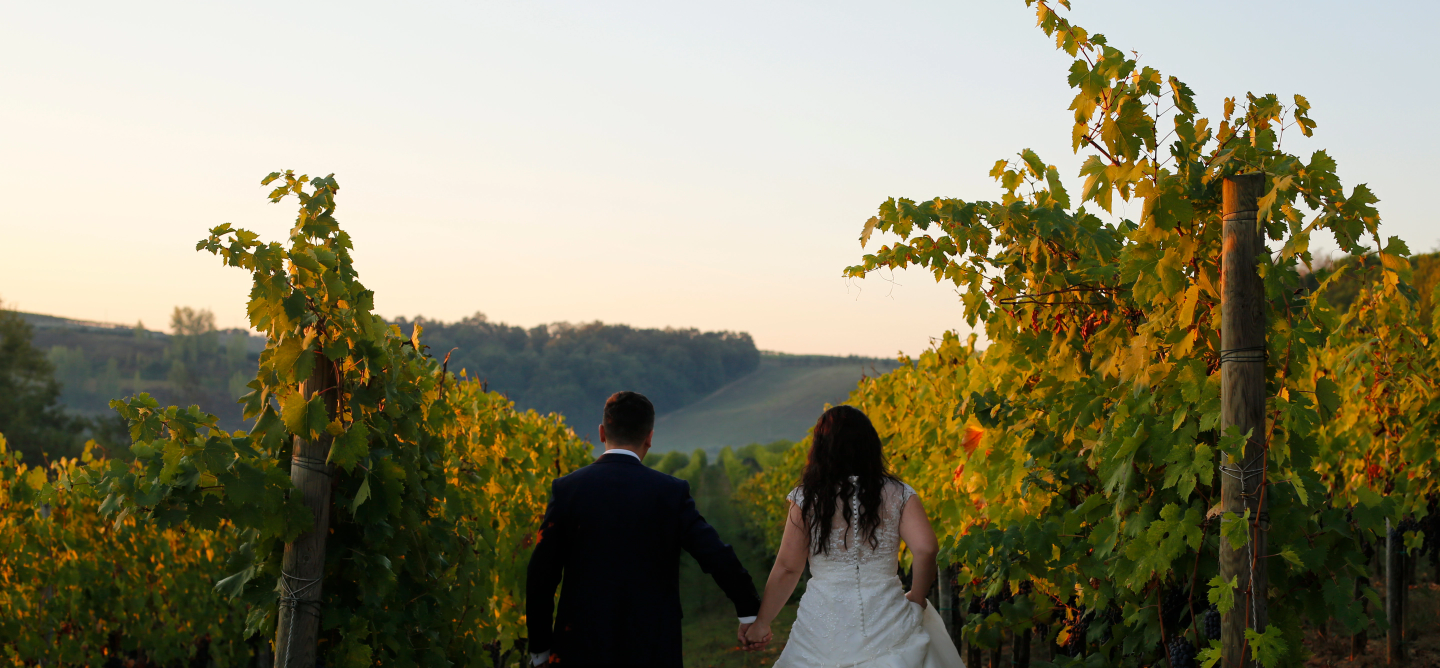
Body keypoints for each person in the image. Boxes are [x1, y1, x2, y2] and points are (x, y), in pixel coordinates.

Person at [525, 391, 762, 666]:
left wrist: (540, 649)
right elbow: (715, 554)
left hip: (580, 644)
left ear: (601, 433)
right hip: (653, 644)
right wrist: (749, 610)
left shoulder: (568, 489)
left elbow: (541, 575)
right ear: (649, 437)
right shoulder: (670, 492)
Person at [741, 405, 964, 667]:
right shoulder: (899, 493)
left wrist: (762, 623)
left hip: (822, 624)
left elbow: (788, 567)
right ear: (871, 445)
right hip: (888, 617)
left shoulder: (807, 497)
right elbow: (926, 549)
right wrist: (917, 598)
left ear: (821, 449)